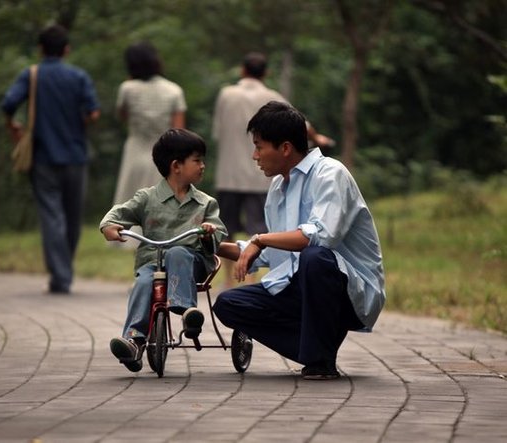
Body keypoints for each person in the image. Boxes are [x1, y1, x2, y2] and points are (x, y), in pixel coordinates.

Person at [214, 101, 386, 380]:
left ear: (284, 148)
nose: (254, 156)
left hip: (349, 290)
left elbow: (320, 237)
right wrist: (211, 245)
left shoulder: (330, 173)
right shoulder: (278, 186)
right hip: (302, 286)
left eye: (259, 146)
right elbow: (271, 252)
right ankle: (315, 347)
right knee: (228, 304)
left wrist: (260, 239)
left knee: (314, 257)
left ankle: (320, 360)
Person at [100, 128, 227, 372]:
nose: (203, 166)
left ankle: (186, 311)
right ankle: (134, 341)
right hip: (153, 264)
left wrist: (210, 230)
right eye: (197, 160)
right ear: (176, 166)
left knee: (177, 252)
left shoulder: (205, 203)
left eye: (203, 160)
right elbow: (118, 213)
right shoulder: (147, 198)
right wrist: (109, 226)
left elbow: (218, 236)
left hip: (192, 263)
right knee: (143, 283)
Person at [212, 52, 334, 287]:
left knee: (226, 226)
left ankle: (228, 279)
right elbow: (299, 124)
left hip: (228, 172)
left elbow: (217, 131)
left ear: (242, 71)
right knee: (257, 226)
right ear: (266, 73)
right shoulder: (273, 97)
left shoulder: (226, 95)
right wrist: (317, 137)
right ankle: (250, 279)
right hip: (259, 178)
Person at [1, 24, 101, 294]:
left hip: (43, 157)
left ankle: (61, 275)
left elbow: (8, 103)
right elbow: (93, 113)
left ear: (40, 49)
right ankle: (63, 271)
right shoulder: (78, 77)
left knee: (51, 217)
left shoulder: (31, 75)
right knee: (72, 217)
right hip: (76, 156)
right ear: (66, 49)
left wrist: (14, 127)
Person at [113, 41, 187, 206]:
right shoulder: (174, 90)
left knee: (130, 199)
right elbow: (179, 131)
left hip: (135, 150)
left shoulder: (127, 88)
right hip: (163, 153)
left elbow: (122, 115)